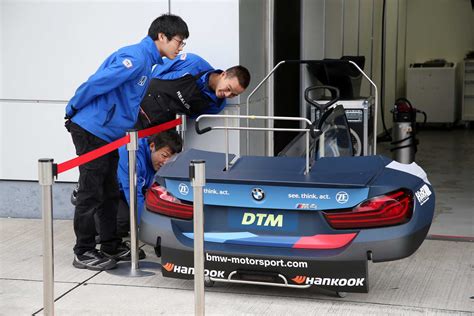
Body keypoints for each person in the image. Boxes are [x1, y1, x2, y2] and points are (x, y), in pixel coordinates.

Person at [64, 14, 189, 271]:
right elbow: (98, 82)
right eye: (179, 41)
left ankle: (111, 245)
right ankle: (83, 250)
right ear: (162, 37)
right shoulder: (137, 58)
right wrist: (73, 108)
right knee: (91, 190)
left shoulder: (149, 62)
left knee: (110, 190)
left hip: (109, 133)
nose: (180, 47)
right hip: (92, 128)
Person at [136, 53, 251, 129]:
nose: (226, 94)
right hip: (139, 106)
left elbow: (190, 116)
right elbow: (158, 70)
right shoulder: (193, 62)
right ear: (223, 74)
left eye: (232, 95)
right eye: (228, 88)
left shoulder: (217, 106)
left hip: (160, 126)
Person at [116, 130, 183, 237]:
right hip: (112, 192)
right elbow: (134, 197)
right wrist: (152, 232)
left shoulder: (157, 157)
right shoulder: (132, 154)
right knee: (124, 221)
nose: (166, 162)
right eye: (164, 156)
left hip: (137, 190)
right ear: (152, 146)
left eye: (171, 158)